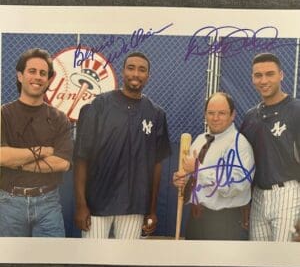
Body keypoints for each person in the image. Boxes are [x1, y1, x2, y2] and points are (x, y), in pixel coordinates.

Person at [73, 52, 171, 239]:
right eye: (131, 68)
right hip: (97, 203)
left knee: (125, 263)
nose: (136, 74)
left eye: (142, 70)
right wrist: (81, 204)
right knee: (93, 262)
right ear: (123, 71)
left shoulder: (156, 114)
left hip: (134, 205)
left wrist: (151, 210)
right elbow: (81, 157)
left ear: (148, 76)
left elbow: (156, 165)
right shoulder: (99, 106)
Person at [0, 48, 73, 237]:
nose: (38, 77)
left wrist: (16, 161)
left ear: (49, 80)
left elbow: (62, 163)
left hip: (48, 203)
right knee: (10, 264)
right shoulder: (3, 114)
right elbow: (1, 156)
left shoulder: (59, 118)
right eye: (32, 71)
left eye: (43, 73)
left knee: (52, 263)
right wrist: (42, 151)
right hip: (9, 203)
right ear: (20, 75)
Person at [173, 92, 255, 240]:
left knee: (220, 264)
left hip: (225, 222)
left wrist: (198, 170)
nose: (215, 118)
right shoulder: (200, 140)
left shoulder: (239, 144)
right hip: (196, 219)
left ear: (233, 115)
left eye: (222, 113)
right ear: (205, 114)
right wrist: (182, 180)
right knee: (194, 263)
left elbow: (235, 186)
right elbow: (192, 178)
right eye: (211, 113)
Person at [241, 53, 300, 242]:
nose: (263, 80)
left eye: (270, 74)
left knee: (283, 261)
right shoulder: (251, 116)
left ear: (281, 75)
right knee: (259, 263)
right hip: (258, 196)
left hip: (288, 193)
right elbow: (246, 164)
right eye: (258, 75)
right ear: (252, 78)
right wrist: (246, 204)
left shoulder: (296, 110)